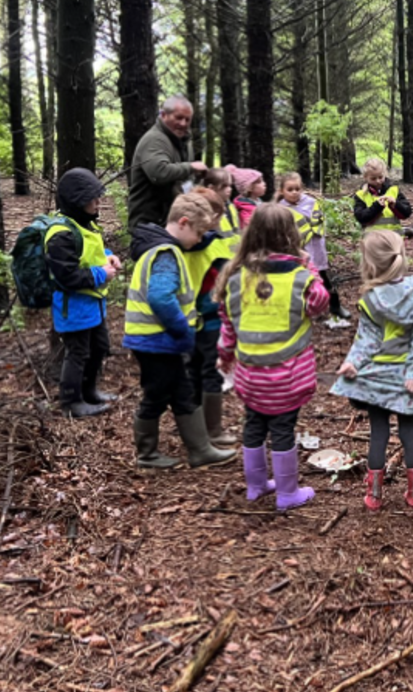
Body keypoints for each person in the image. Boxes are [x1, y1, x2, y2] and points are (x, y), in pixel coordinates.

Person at [216, 205, 330, 510]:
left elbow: (228, 325)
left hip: (250, 376)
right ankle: (287, 493)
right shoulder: (299, 277)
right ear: (291, 236)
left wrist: (225, 357)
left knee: (253, 424)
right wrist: (312, 270)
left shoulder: (236, 277)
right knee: (282, 429)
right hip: (287, 376)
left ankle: (255, 486)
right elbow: (320, 304)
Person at [125, 193, 237, 469]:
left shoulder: (162, 249)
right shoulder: (166, 254)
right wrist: (183, 332)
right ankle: (147, 454)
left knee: (182, 392)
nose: (200, 240)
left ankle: (200, 450)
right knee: (157, 394)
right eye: (199, 233)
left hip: (160, 340)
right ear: (184, 223)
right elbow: (161, 297)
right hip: (156, 340)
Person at [332, 231, 413, 510]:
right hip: (404, 379)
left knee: (379, 433)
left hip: (376, 379)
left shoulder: (371, 298)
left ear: (370, 264)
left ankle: (374, 494)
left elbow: (367, 339)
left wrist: (354, 362)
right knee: (408, 433)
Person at [46, 168, 122, 418]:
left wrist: (110, 258)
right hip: (74, 307)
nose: (98, 202)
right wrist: (102, 274)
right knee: (77, 353)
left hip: (92, 304)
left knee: (100, 347)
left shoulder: (84, 223)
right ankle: (71, 402)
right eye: (92, 198)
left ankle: (90, 392)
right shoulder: (60, 234)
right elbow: (66, 276)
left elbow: (91, 254)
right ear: (77, 201)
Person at [182, 187, 238, 447]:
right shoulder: (210, 246)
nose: (220, 222)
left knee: (197, 372)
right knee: (207, 372)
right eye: (217, 216)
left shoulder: (182, 242)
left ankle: (199, 429)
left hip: (194, 320)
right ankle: (210, 431)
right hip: (206, 320)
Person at [128, 95, 208, 229]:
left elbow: (180, 178)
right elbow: (159, 173)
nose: (183, 123)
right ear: (164, 115)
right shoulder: (155, 140)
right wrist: (190, 167)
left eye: (187, 119)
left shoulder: (182, 141)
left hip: (170, 222)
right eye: (178, 117)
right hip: (149, 225)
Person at [279, 171, 349, 322]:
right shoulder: (280, 209)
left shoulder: (311, 203)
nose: (294, 193)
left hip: (315, 248)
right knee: (299, 280)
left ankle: (335, 306)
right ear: (281, 191)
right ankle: (304, 308)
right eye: (289, 190)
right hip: (296, 251)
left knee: (323, 276)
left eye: (297, 189)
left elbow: (319, 222)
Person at [353, 157, 412, 234]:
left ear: (385, 174)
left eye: (380, 177)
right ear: (365, 177)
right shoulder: (361, 195)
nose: (378, 181)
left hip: (394, 238)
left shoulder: (394, 190)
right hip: (372, 239)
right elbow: (361, 218)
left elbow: (407, 213)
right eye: (373, 179)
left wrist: (396, 204)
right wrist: (377, 206)